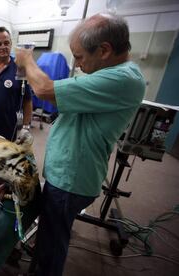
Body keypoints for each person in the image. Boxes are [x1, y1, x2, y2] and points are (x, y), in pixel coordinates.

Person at [15, 13, 145, 276]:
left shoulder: (122, 79)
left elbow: (43, 90)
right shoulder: (105, 72)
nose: (76, 63)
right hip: (66, 175)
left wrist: (27, 60)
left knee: (52, 243)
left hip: (71, 180)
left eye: (80, 56)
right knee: (50, 233)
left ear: (105, 50)